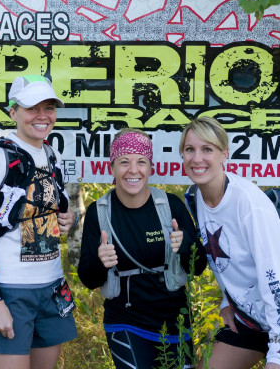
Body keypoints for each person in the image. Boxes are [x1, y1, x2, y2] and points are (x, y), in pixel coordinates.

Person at [179, 117, 280, 369]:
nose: (197, 158)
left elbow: (274, 277)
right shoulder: (195, 197)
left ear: (224, 154)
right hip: (253, 318)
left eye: (207, 149)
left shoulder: (248, 202)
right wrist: (227, 302)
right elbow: (224, 257)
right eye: (190, 149)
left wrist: (279, 351)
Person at [0, 75, 78, 369]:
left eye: (49, 107)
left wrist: (67, 216)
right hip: (10, 290)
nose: (43, 116)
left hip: (52, 286)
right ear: (13, 111)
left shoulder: (49, 154)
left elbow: (56, 203)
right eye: (32, 108)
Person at [77, 129, 207, 369]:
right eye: (124, 162)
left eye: (141, 162)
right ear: (112, 168)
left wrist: (186, 246)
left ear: (150, 167)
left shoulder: (171, 206)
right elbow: (87, 279)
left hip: (175, 321)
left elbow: (199, 268)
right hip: (125, 322)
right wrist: (99, 261)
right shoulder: (100, 212)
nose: (133, 170)